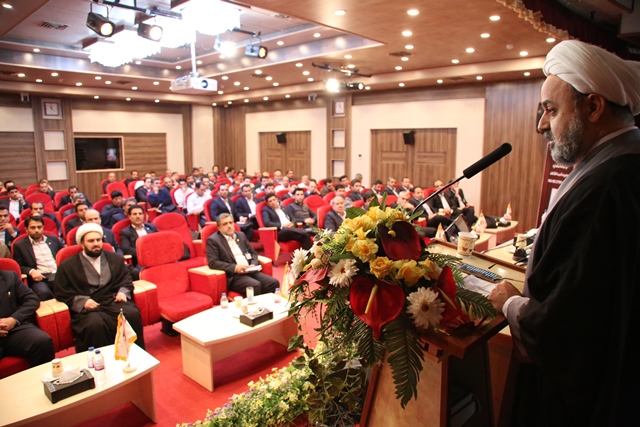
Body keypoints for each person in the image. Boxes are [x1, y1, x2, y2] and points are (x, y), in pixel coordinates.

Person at [488, 40, 640, 426]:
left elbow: (565, 329)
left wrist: (509, 302)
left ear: (594, 107)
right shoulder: (618, 168)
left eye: (551, 110)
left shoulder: (605, 187)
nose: (541, 125)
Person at [54, 223, 145, 352]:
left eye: (98, 240)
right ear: (82, 243)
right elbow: (61, 291)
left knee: (132, 314)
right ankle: (100, 360)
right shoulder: (68, 265)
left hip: (113, 300)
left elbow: (126, 279)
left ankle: (135, 355)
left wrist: (123, 292)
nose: (96, 244)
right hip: (89, 307)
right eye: (91, 241)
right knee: (95, 325)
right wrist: (82, 301)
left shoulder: (115, 259)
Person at [206, 213, 279, 297]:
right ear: (219, 228)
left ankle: (265, 304)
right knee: (254, 285)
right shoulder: (213, 240)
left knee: (273, 283)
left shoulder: (241, 235)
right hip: (234, 276)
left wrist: (253, 264)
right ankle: (254, 305)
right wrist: (235, 267)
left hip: (249, 270)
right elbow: (213, 262)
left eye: (230, 222)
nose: (229, 226)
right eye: (225, 224)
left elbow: (253, 252)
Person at [0, 269, 55, 367]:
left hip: (13, 329)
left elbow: (32, 300)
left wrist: (14, 319)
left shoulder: (9, 276)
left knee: (42, 341)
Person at [13, 216, 64, 301]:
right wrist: (31, 271)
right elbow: (18, 266)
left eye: (39, 227)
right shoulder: (20, 245)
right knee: (43, 293)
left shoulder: (54, 239)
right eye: (33, 228)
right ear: (26, 229)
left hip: (58, 274)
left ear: (43, 227)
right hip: (40, 278)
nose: (36, 230)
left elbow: (63, 257)